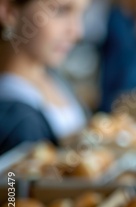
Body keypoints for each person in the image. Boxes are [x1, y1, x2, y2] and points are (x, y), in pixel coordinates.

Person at [0, 0, 90, 155]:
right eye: (61, 11)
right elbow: (13, 179)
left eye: (82, 13)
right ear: (8, 11)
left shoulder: (55, 78)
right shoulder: (14, 118)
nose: (77, 32)